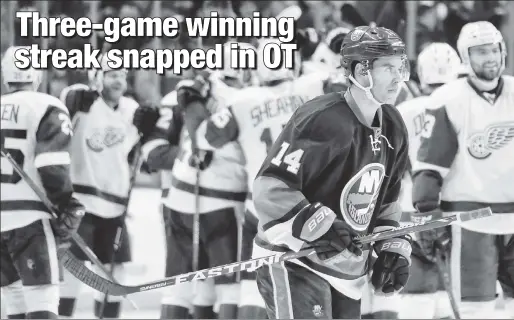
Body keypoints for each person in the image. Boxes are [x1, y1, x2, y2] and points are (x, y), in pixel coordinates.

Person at [251, 26, 412, 319]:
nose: (398, 76)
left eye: (400, 66)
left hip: (348, 270)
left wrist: (391, 248)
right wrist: (319, 225)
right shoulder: (322, 119)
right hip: (295, 260)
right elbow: (270, 187)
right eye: (388, 67)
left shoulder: (393, 124)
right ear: (362, 71)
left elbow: (386, 200)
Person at [179, 37, 334, 319]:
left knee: (254, 286)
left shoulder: (242, 101)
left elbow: (205, 137)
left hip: (261, 208)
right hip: (310, 206)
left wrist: (194, 100)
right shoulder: (314, 85)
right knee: (314, 282)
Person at [144, 42, 257, 319]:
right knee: (231, 288)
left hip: (179, 197)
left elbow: (158, 153)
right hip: (223, 200)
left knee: (181, 288)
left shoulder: (189, 91)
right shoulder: (247, 98)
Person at [412, 21, 514, 319]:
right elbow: (429, 166)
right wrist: (427, 212)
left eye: (494, 50)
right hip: (471, 223)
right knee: (474, 311)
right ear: (465, 57)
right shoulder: (447, 100)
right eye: (480, 52)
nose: (490, 58)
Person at [57, 55, 158, 319]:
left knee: (115, 272)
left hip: (115, 206)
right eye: (112, 74)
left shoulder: (131, 108)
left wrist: (145, 133)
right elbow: (67, 106)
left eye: (123, 75)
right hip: (80, 201)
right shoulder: (80, 100)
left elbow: (132, 156)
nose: (119, 80)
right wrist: (79, 102)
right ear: (96, 76)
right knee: (73, 269)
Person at [0, 46, 85, 319]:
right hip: (30, 218)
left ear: (5, 77)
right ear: (36, 75)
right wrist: (66, 204)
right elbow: (50, 164)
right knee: (42, 296)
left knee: (14, 298)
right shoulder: (46, 105)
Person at [395, 42, 462, 319]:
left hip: (411, 214)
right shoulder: (465, 105)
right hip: (457, 212)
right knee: (455, 301)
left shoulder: (401, 111)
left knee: (416, 298)